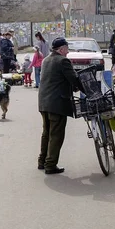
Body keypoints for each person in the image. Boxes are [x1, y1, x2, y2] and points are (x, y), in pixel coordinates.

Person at [38, 37, 81, 175]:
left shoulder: (46, 60)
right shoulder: (63, 60)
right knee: (56, 135)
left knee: (47, 133)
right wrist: (87, 91)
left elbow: (56, 79)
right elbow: (74, 79)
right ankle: (50, 165)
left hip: (44, 102)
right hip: (57, 103)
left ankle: (42, 161)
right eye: (67, 49)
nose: (68, 52)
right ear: (61, 49)